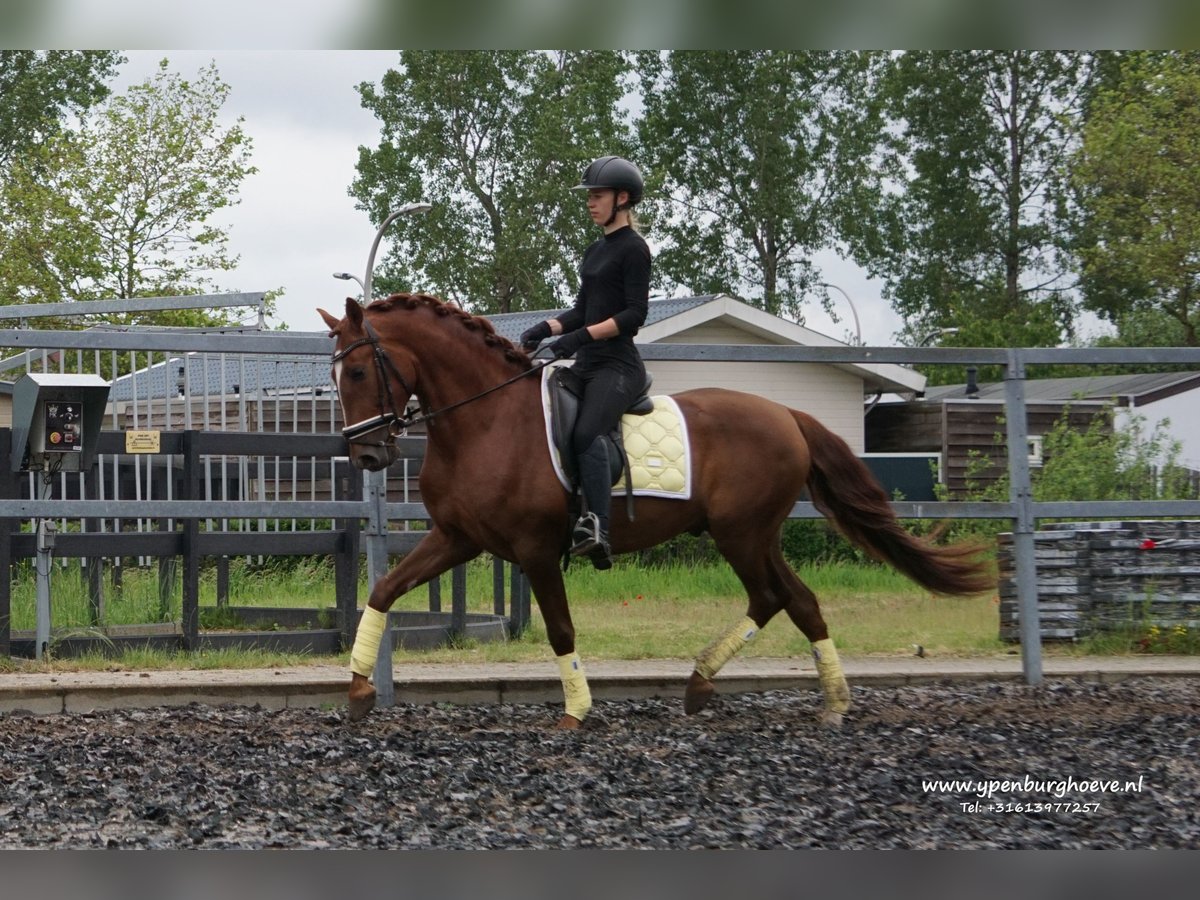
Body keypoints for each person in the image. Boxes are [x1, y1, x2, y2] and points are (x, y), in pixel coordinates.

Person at [520, 155, 651, 570]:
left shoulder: (635, 250)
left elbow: (633, 316)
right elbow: (583, 310)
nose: (590, 203)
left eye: (597, 196)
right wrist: (545, 328)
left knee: (585, 432)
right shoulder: (595, 250)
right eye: (589, 197)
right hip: (587, 363)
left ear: (623, 198)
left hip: (618, 367)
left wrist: (576, 339)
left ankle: (598, 528)